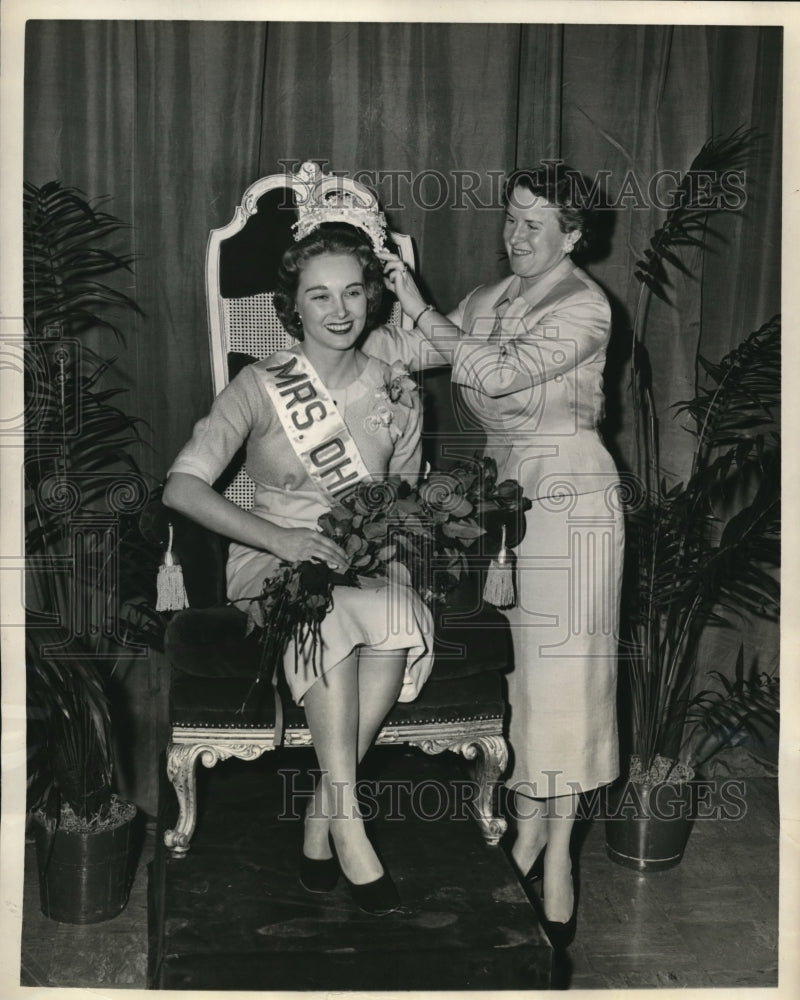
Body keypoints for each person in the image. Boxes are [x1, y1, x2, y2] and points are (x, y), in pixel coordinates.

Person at [365, 163, 623, 942]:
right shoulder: (490, 300)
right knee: (524, 680)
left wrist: (420, 307)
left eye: (533, 224)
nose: (514, 236)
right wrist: (338, 328)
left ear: (572, 236)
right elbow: (409, 347)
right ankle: (527, 828)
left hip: (573, 494)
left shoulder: (587, 308)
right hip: (505, 501)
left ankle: (557, 857)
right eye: (510, 219)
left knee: (568, 680)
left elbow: (500, 373)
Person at [163, 222, 434, 916]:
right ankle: (350, 827)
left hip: (360, 562)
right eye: (319, 297)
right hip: (271, 558)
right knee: (335, 614)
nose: (338, 311)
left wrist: (397, 565)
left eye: (352, 292)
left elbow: (399, 506)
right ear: (295, 306)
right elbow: (182, 488)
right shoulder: (261, 385)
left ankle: (323, 810)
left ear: (373, 297)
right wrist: (282, 541)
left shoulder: (398, 392)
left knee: (399, 614)